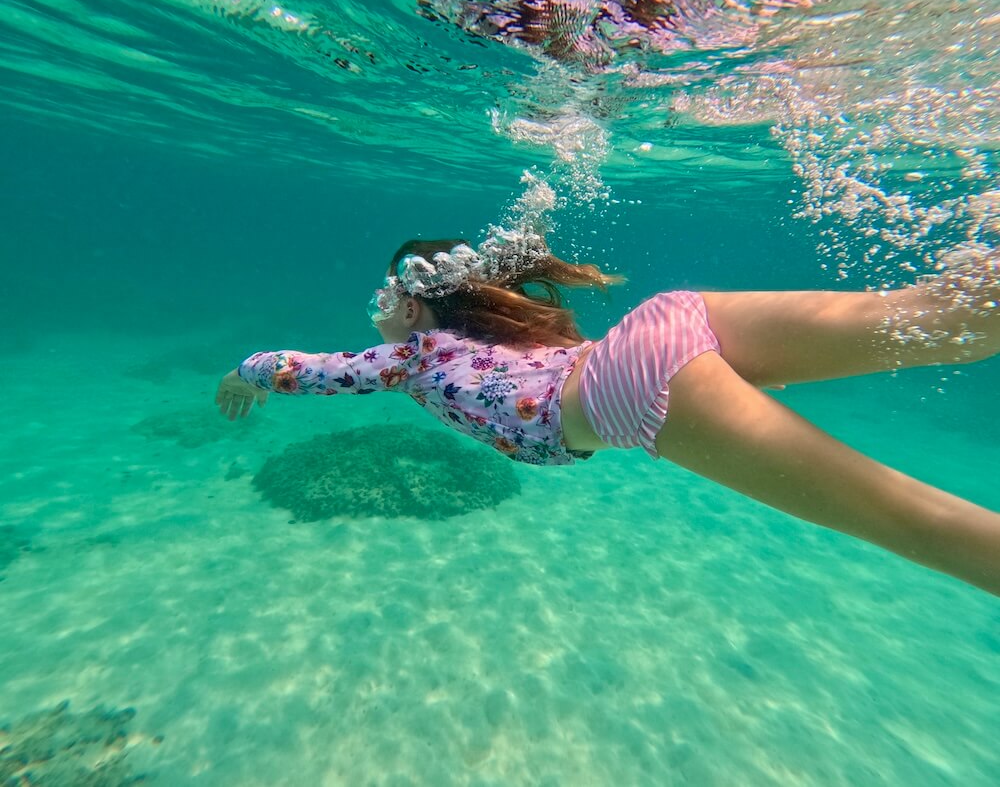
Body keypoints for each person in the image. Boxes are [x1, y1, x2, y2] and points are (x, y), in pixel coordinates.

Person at [216, 233, 1000, 596]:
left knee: (913, 522)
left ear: (416, 305)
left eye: (384, 300)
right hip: (670, 322)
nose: (378, 315)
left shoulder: (413, 355)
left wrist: (243, 372)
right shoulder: (506, 336)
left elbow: (307, 370)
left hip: (630, 386)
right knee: (944, 317)